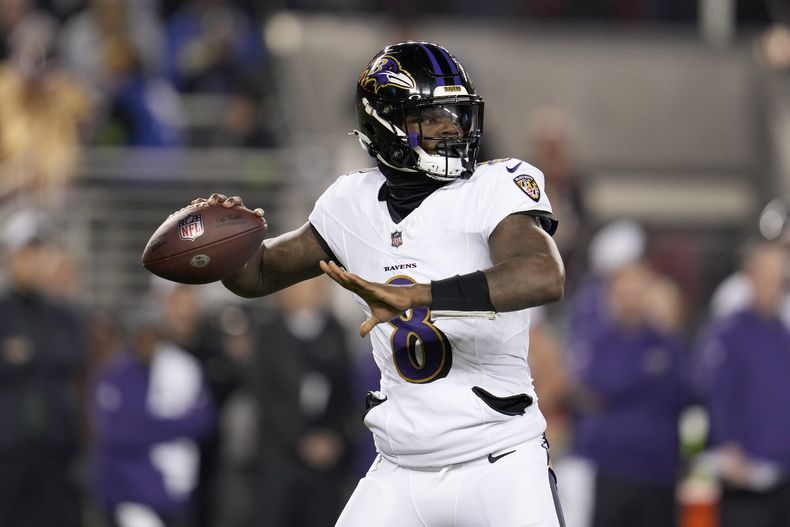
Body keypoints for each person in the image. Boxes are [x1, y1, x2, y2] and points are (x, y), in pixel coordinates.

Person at [187, 41, 566, 526]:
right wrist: (219, 238)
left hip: (498, 460)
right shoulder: (352, 201)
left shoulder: (495, 186)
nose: (452, 126)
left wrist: (419, 297)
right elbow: (257, 274)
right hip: (401, 468)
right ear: (386, 126)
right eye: (430, 118)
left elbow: (542, 274)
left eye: (457, 112)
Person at [0, 208, 88, 527]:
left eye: (38, 254)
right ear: (9, 256)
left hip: (56, 449)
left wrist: (26, 355)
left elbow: (75, 356)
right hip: (7, 453)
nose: (32, 263)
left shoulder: (63, 314)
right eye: (25, 254)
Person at [696, 240, 790, 527]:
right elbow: (716, 392)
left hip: (783, 477)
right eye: (768, 277)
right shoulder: (730, 332)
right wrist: (727, 444)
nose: (774, 286)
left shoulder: (783, 334)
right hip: (746, 478)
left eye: (780, 279)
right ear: (751, 276)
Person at [251, 277, 357, 527]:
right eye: (304, 285)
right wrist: (301, 440)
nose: (312, 293)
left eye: (317, 286)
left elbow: (345, 392)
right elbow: (265, 396)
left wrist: (334, 437)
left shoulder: (335, 330)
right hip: (278, 462)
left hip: (326, 465)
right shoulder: (268, 333)